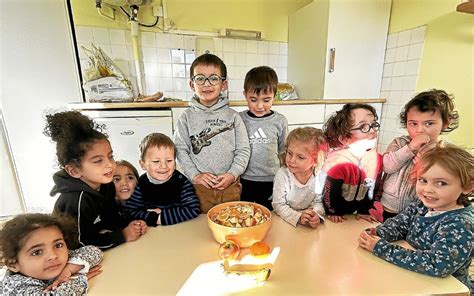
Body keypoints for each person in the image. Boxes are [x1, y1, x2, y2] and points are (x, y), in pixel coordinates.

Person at [358, 144, 473, 291]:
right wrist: (379, 232)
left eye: (441, 183)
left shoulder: (461, 224)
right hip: (412, 277)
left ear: (467, 187)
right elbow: (400, 225)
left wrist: (381, 248)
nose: (428, 189)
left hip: (444, 290)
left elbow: (437, 265)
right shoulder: (422, 205)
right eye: (423, 180)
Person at [44, 111, 147, 250]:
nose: (110, 164)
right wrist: (122, 236)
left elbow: (111, 217)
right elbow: (79, 243)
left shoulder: (107, 185)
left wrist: (132, 224)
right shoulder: (76, 200)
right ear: (74, 171)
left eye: (110, 156)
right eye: (98, 161)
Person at [173, 53, 250, 213]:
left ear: (224, 84)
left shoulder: (233, 117)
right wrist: (195, 176)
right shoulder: (185, 118)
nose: (206, 84)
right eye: (200, 78)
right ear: (191, 84)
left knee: (231, 221)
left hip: (230, 185)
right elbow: (181, 150)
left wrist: (232, 174)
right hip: (199, 187)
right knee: (199, 228)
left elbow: (243, 150)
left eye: (214, 78)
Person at [381, 89, 459, 221]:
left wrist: (424, 164)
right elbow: (387, 167)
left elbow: (446, 181)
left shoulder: (444, 151)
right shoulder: (399, 143)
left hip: (422, 209)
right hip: (390, 206)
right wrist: (409, 149)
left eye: (429, 123)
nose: (419, 130)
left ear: (445, 124)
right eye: (413, 123)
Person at [1, 213, 103, 294]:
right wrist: (79, 280)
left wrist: (68, 269)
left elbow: (94, 251)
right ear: (13, 264)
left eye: (58, 245)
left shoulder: (59, 260)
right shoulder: (15, 286)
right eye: (37, 252)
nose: (53, 255)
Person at [322, 104, 383, 223]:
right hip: (334, 212)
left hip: (354, 214)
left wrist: (364, 210)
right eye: (363, 127)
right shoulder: (337, 163)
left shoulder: (376, 160)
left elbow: (372, 189)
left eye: (374, 125)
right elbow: (329, 192)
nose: (372, 131)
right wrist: (332, 211)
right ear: (344, 139)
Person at [239, 66, 288, 211]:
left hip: (271, 180)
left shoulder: (280, 121)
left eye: (266, 100)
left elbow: (283, 152)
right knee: (245, 214)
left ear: (275, 96)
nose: (260, 106)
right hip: (245, 180)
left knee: (269, 215)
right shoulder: (239, 119)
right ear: (245, 95)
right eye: (253, 100)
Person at [125, 133, 201, 226]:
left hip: (179, 228)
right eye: (156, 161)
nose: (164, 166)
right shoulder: (141, 183)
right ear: (143, 164)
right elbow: (130, 211)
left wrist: (159, 218)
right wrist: (151, 217)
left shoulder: (181, 182)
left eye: (169, 160)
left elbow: (193, 209)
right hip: (151, 232)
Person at [272, 127, 327, 228]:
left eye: (300, 157)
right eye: (289, 153)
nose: (292, 160)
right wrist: (298, 217)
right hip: (284, 223)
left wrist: (315, 215)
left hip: (306, 227)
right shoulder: (283, 175)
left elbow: (319, 202)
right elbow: (278, 204)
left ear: (315, 161)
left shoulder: (320, 177)